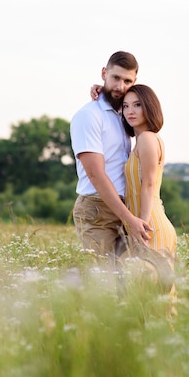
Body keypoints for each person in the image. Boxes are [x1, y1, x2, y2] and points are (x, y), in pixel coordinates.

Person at [70, 51, 152, 264]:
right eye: (115, 78)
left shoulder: (124, 114)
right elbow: (96, 175)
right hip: (98, 209)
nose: (120, 87)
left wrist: (130, 216)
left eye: (127, 81)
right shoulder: (89, 116)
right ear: (104, 73)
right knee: (103, 282)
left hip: (126, 207)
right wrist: (129, 219)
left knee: (126, 282)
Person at [120, 84, 177, 292]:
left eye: (137, 105)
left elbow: (149, 183)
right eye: (125, 106)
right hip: (145, 223)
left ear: (149, 106)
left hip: (150, 226)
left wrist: (141, 226)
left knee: (155, 299)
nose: (130, 111)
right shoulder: (143, 140)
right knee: (151, 297)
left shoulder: (146, 138)